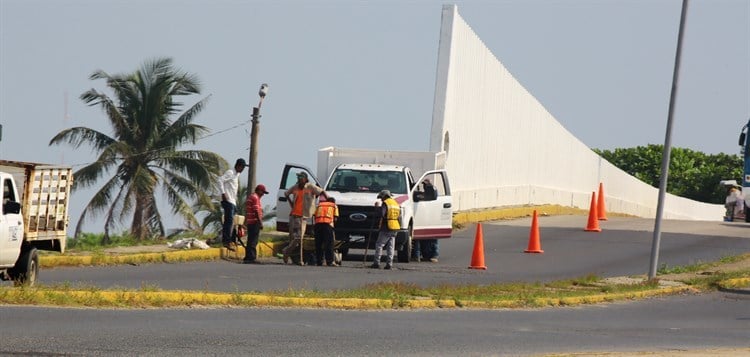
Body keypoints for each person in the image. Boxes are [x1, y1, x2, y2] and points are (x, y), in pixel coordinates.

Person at [282, 171, 327, 264]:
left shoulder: (310, 187)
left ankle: (286, 251)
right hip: (294, 216)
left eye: (301, 178)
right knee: (295, 238)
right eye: (298, 179)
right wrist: (291, 204)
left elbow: (322, 191)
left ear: (305, 179)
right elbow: (286, 194)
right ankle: (296, 258)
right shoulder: (295, 187)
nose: (299, 180)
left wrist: (329, 201)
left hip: (303, 217)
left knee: (299, 238)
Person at [218, 158, 246, 251]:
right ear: (238, 166)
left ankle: (232, 240)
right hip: (228, 200)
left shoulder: (237, 175)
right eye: (242, 167)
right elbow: (220, 180)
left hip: (233, 201)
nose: (243, 169)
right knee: (228, 221)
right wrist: (223, 193)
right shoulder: (230, 172)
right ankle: (226, 241)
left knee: (233, 222)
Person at [371, 189, 400, 270]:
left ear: (384, 196)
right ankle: (389, 264)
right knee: (391, 247)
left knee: (379, 244)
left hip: (386, 226)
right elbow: (399, 216)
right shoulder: (395, 203)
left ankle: (376, 263)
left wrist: (377, 208)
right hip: (395, 226)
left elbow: (382, 214)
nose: (381, 199)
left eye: (381, 197)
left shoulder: (386, 203)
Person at [413, 179, 440, 263]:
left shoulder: (432, 194)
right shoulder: (424, 194)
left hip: (430, 219)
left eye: (426, 185)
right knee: (419, 238)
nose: (424, 186)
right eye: (424, 185)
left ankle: (434, 255)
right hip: (422, 218)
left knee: (433, 238)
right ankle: (418, 255)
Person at [243, 184, 269, 264]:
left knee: (250, 240)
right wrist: (260, 222)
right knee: (253, 241)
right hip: (254, 222)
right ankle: (252, 258)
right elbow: (256, 211)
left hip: (250, 222)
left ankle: (247, 257)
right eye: (262, 192)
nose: (263, 195)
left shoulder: (251, 197)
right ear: (258, 191)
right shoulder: (255, 198)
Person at [313, 196, 339, 266]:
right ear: (333, 202)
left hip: (318, 225)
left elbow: (314, 215)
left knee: (318, 244)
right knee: (329, 244)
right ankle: (330, 261)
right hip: (327, 225)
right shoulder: (334, 206)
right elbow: (335, 218)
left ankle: (319, 261)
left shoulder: (319, 205)